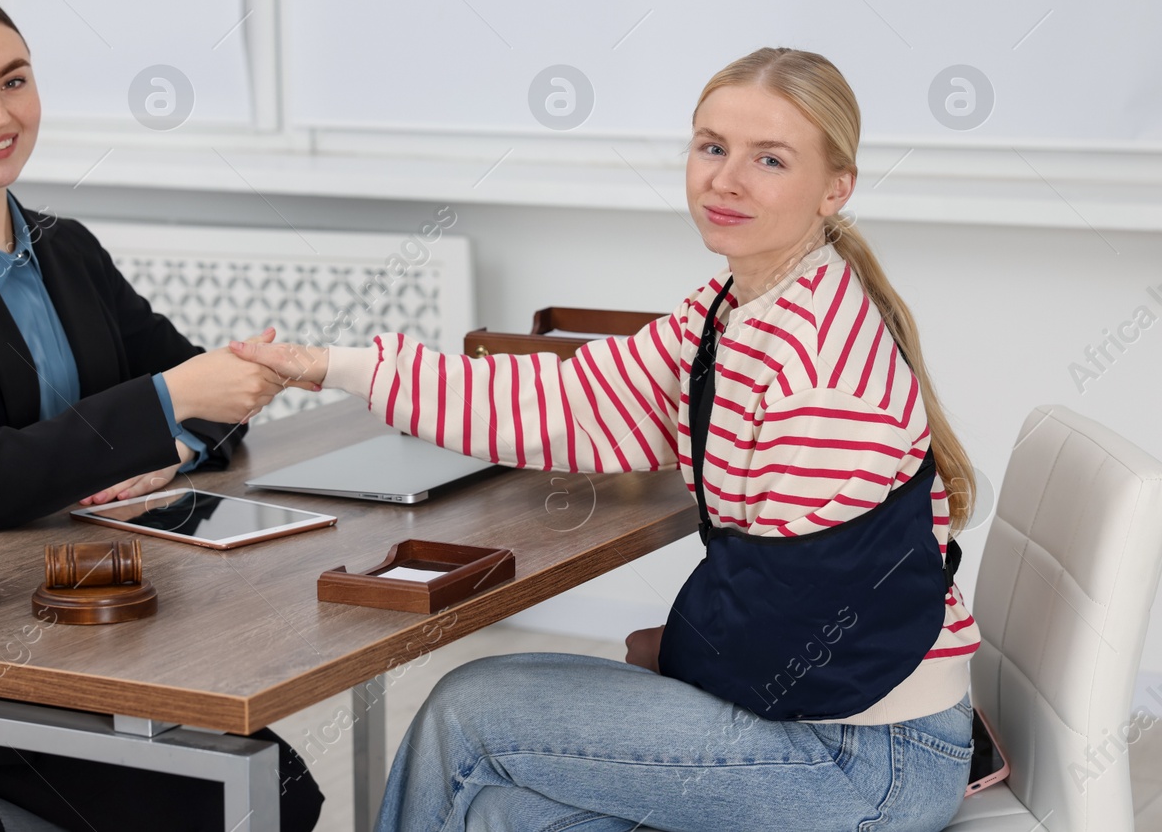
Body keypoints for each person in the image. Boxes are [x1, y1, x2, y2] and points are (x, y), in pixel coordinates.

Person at [230, 47, 983, 832]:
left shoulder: (821, 373)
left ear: (836, 187)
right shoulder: (735, 309)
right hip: (822, 718)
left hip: (862, 759)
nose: (725, 179)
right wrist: (335, 366)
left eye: (769, 159)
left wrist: (678, 652)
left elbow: (793, 623)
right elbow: (562, 399)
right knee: (492, 812)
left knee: (466, 713)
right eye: (711, 146)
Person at [0, 0, 324, 832]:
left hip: (62, 605)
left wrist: (173, 446)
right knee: (236, 799)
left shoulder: (67, 248)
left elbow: (209, 401)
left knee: (272, 783)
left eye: (14, 81)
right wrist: (171, 400)